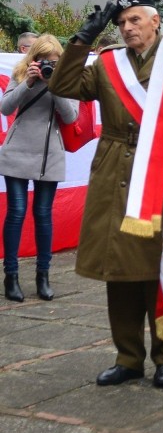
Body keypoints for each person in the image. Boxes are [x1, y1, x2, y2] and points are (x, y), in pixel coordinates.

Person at [49, 0, 163, 388]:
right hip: (115, 175)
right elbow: (64, 84)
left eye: (135, 21)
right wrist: (82, 40)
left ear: (155, 20)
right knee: (120, 272)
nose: (127, 28)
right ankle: (128, 357)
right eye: (122, 23)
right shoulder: (109, 65)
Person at [0, 35, 78, 302]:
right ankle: (11, 276)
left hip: (49, 156)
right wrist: (29, 82)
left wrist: (55, 85)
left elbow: (71, 116)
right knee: (17, 212)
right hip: (17, 153)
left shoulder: (65, 78)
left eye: (53, 62)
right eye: (43, 61)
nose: (48, 66)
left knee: (43, 214)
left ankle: (42, 277)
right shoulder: (21, 74)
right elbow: (5, 106)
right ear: (33, 59)